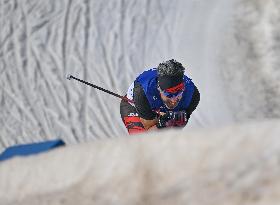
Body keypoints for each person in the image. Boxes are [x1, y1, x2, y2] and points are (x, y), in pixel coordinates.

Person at [120, 59, 200, 134]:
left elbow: (179, 126)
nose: (174, 100)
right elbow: (148, 133)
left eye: (178, 94)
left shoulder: (193, 95)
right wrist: (162, 124)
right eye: (169, 95)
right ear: (159, 90)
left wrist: (175, 121)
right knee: (143, 139)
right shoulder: (143, 92)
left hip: (158, 108)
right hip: (133, 107)